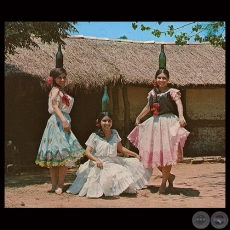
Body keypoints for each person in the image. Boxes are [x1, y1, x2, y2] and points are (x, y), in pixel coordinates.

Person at [127, 68, 190, 194]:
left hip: (168, 123)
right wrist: (139, 117)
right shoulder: (152, 93)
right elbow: (148, 107)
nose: (161, 80)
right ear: (156, 79)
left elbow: (179, 103)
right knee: (154, 154)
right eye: (159, 78)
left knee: (167, 155)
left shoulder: (172, 92)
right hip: (155, 124)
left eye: (164, 78)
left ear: (168, 79)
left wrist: (181, 116)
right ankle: (169, 177)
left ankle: (163, 184)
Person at [66, 111, 153, 198]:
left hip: (112, 162)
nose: (107, 123)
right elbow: (87, 152)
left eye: (109, 121)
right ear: (99, 122)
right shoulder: (94, 136)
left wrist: (134, 154)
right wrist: (96, 160)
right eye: (104, 121)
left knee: (127, 169)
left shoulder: (114, 133)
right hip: (98, 163)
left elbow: (121, 148)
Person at [35, 67, 85, 195]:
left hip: (63, 119)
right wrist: (63, 121)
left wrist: (65, 120)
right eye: (59, 77)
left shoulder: (61, 91)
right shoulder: (55, 90)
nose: (62, 79)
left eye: (64, 77)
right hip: (58, 121)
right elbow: (55, 107)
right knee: (56, 152)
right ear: (54, 79)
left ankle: (60, 184)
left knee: (63, 153)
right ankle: (54, 184)